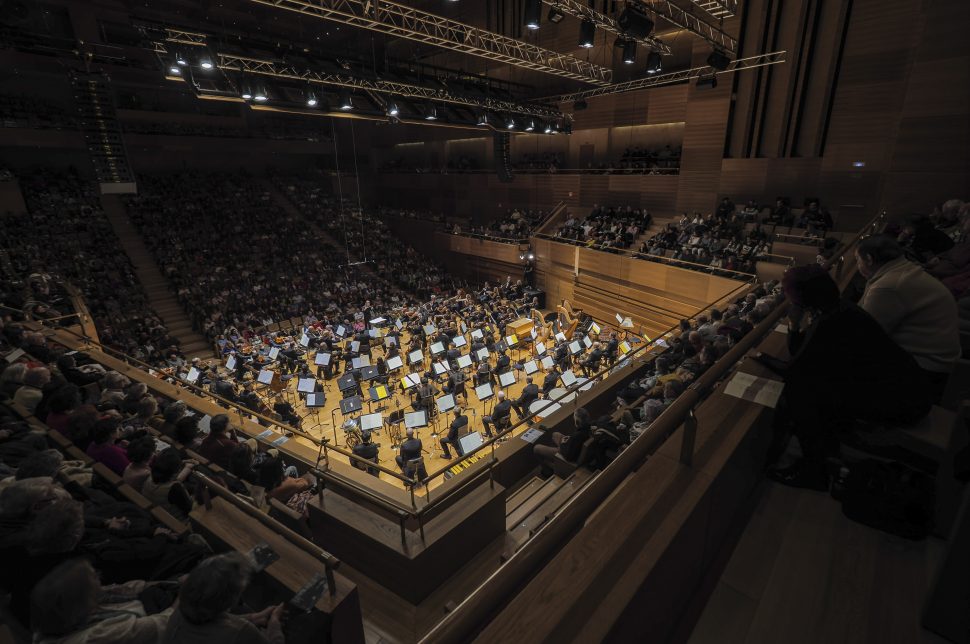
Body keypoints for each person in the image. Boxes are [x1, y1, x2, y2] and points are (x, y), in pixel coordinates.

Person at [764, 265, 933, 490]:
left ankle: (814, 471)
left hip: (902, 400)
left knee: (800, 394)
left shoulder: (830, 321)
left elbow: (795, 369)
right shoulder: (839, 307)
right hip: (908, 388)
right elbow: (802, 354)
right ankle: (824, 453)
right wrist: (794, 324)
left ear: (801, 297)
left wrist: (764, 354)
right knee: (810, 387)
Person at [855, 235, 959, 400]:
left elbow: (864, 336)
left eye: (857, 260)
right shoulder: (902, 270)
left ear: (868, 259)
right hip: (933, 362)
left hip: (923, 372)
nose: (857, 265)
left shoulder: (889, 285)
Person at [30, 558, 173, 644]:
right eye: (94, 577)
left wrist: (170, 582)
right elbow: (166, 623)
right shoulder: (96, 636)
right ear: (82, 598)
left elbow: (118, 589)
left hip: (154, 604)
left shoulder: (63, 613)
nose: (99, 577)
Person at [161, 552, 284, 644]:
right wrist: (274, 627)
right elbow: (227, 629)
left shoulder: (180, 612)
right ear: (229, 600)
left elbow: (212, 624)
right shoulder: (241, 631)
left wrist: (253, 618)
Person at [141, 447, 194, 520]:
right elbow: (189, 508)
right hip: (178, 521)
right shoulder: (174, 488)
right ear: (174, 472)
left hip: (158, 515)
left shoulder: (150, 476)